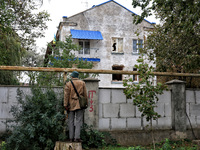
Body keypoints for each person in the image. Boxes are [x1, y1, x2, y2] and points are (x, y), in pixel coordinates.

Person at [64, 71, 88, 142]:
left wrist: (65, 105)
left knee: (70, 121)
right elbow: (85, 94)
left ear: (72, 76)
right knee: (78, 121)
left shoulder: (68, 84)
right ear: (77, 76)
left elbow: (66, 95)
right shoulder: (82, 83)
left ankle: (71, 137)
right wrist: (86, 103)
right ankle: (77, 137)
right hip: (80, 104)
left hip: (71, 104)